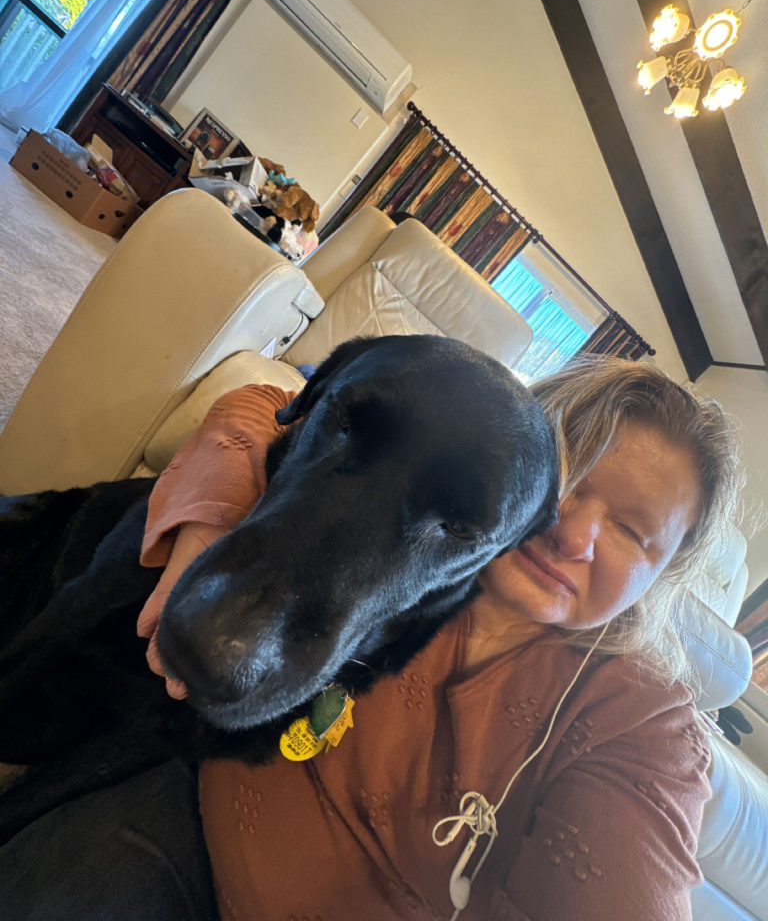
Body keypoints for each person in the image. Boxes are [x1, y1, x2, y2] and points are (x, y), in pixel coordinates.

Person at [0, 355, 744, 921]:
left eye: (633, 532)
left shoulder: (644, 726)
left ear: (662, 575)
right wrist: (208, 527)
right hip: (176, 817)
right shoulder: (416, 525)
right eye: (570, 477)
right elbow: (271, 398)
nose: (574, 534)